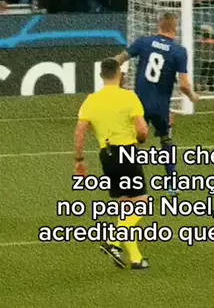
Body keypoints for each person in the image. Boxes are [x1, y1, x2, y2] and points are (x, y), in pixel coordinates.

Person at [74, 58, 150, 269]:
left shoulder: (91, 100)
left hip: (106, 156)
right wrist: (141, 138)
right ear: (119, 74)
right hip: (127, 153)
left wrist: (79, 160)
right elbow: (142, 130)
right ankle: (113, 241)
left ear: (101, 76)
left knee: (125, 205)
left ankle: (135, 259)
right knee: (141, 203)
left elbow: (80, 132)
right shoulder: (129, 97)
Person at [114, 13, 199, 194]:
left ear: (158, 26)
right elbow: (184, 85)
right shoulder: (179, 51)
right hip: (161, 107)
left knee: (132, 142)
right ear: (175, 28)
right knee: (166, 139)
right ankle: (172, 184)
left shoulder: (143, 42)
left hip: (139, 105)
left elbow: (118, 60)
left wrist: (116, 79)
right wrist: (192, 96)